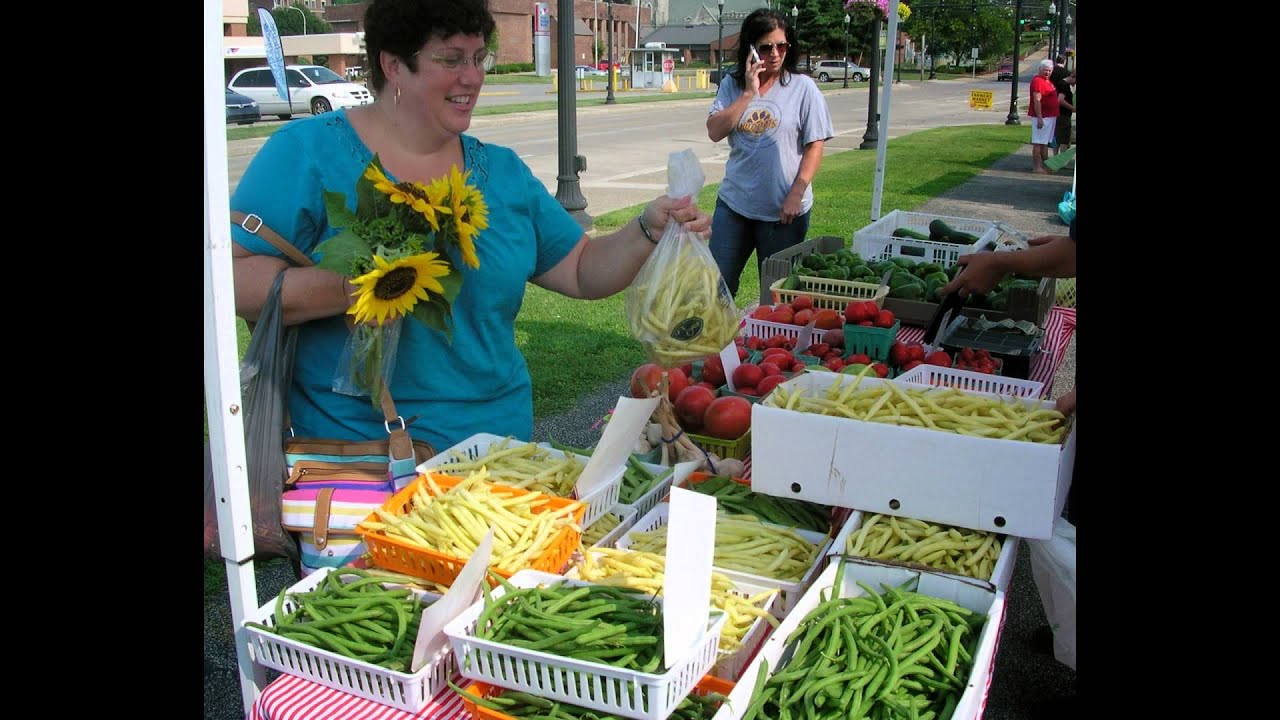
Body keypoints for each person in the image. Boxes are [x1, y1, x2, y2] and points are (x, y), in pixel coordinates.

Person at [229, 0, 711, 455]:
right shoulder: (308, 154)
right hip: (360, 463)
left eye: (480, 57)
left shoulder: (500, 172)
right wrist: (367, 285)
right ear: (393, 64)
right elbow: (228, 278)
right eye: (452, 59)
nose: (473, 77)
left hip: (499, 455)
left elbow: (581, 269)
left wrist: (648, 229)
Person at [705, 7, 834, 303]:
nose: (775, 53)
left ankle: (766, 348)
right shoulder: (733, 84)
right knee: (715, 290)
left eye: (782, 45)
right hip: (735, 205)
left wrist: (796, 193)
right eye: (766, 47)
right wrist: (748, 93)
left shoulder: (803, 88)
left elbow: (815, 145)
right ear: (751, 48)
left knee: (776, 296)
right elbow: (714, 131)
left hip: (783, 213)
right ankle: (715, 348)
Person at [1028, 58, 1059, 174]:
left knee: (1044, 143)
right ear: (1040, 69)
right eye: (1045, 70)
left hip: (1050, 116)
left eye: (1050, 71)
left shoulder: (1047, 81)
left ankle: (1045, 166)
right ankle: (1037, 167)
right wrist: (1040, 118)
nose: (1048, 73)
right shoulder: (1038, 81)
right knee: (1038, 142)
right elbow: (1037, 100)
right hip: (1043, 117)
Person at [1053, 69, 1076, 156]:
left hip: (1060, 114)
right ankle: (1061, 159)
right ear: (1073, 77)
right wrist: (1073, 108)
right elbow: (1060, 100)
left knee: (1059, 137)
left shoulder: (1061, 83)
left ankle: (1055, 157)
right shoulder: (1064, 85)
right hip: (1063, 115)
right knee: (1064, 139)